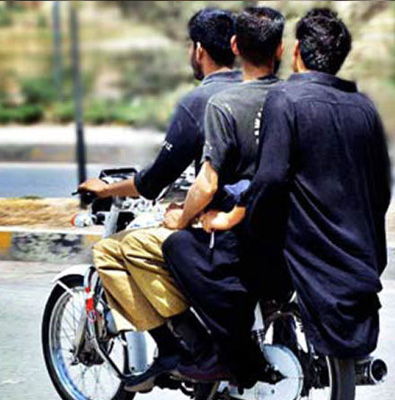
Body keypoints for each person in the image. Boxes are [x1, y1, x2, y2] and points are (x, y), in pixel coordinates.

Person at [204, 8, 392, 360]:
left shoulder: (286, 101)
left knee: (197, 257)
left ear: (296, 53)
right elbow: (381, 190)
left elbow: (271, 179)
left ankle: (223, 359)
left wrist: (245, 226)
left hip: (300, 252)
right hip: (359, 253)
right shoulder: (364, 108)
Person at [76, 8, 242, 392]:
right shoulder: (264, 90)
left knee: (113, 252)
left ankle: (178, 348)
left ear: (199, 49)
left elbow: (153, 182)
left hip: (216, 228)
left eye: (190, 45)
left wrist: (106, 189)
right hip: (261, 219)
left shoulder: (198, 103)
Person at [160, 6, 288, 387]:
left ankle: (229, 354)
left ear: (235, 45)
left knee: (178, 246)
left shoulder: (223, 104)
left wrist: (183, 217)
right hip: (291, 228)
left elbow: (207, 184)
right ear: (280, 50)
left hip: (244, 237)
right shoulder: (292, 96)